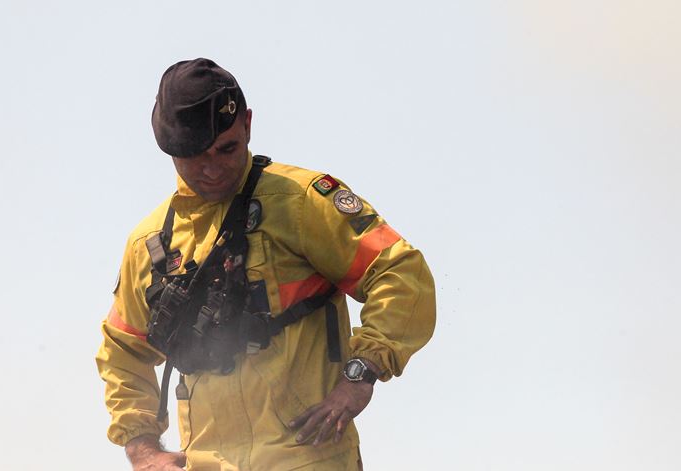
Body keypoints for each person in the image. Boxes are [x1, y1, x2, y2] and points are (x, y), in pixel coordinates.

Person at [95, 58, 436, 470]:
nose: (212, 168)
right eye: (194, 157)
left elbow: (400, 273)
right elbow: (122, 351)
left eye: (227, 149)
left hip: (306, 459)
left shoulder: (301, 201)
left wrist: (361, 373)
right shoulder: (148, 244)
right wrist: (143, 449)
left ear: (248, 126)